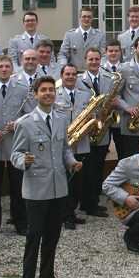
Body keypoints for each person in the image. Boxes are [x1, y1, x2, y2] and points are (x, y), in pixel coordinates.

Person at [11, 76, 82, 278]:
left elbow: (65, 149)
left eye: (52, 90)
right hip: (36, 190)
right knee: (34, 236)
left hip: (59, 188)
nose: (49, 93)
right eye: (44, 90)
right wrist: (24, 161)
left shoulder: (61, 119)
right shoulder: (25, 122)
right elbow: (15, 154)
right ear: (35, 94)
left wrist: (71, 162)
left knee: (52, 236)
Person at [0, 55, 33, 236]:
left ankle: (21, 222)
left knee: (17, 186)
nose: (4, 69)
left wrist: (18, 123)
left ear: (12, 69)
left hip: (15, 144)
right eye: (0, 66)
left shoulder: (22, 89)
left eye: (7, 67)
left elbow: (30, 114)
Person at [75, 48, 116, 216]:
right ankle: (86, 203)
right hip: (86, 129)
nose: (94, 62)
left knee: (98, 167)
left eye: (97, 59)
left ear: (101, 60)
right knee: (87, 169)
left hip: (103, 130)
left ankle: (93, 201)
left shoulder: (109, 79)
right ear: (85, 60)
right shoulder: (78, 80)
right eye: (90, 59)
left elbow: (111, 99)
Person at [55, 63, 90, 230]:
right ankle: (65, 215)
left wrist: (86, 129)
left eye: (73, 74)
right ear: (61, 76)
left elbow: (92, 116)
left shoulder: (85, 95)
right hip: (62, 144)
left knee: (77, 183)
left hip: (81, 143)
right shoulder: (55, 94)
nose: (70, 77)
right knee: (65, 182)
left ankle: (72, 213)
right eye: (67, 74)